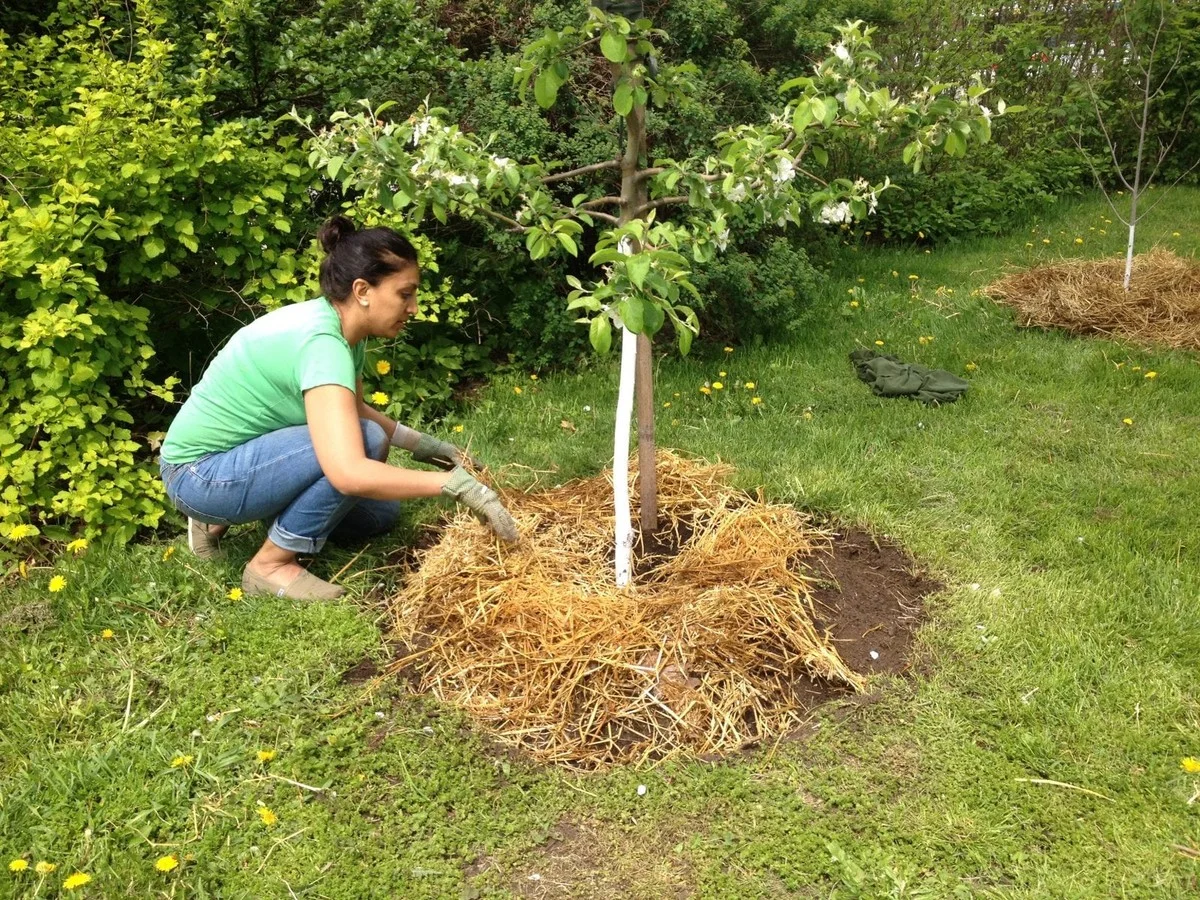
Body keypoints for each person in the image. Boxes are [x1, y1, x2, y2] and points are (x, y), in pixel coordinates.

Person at [158, 216, 518, 601]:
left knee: (382, 516)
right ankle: (269, 565)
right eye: (405, 294)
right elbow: (347, 471)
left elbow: (356, 408)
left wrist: (428, 447)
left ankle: (237, 520)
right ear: (363, 290)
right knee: (364, 444)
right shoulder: (322, 343)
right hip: (199, 475)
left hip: (242, 461)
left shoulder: (344, 329)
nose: (413, 308)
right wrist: (458, 486)